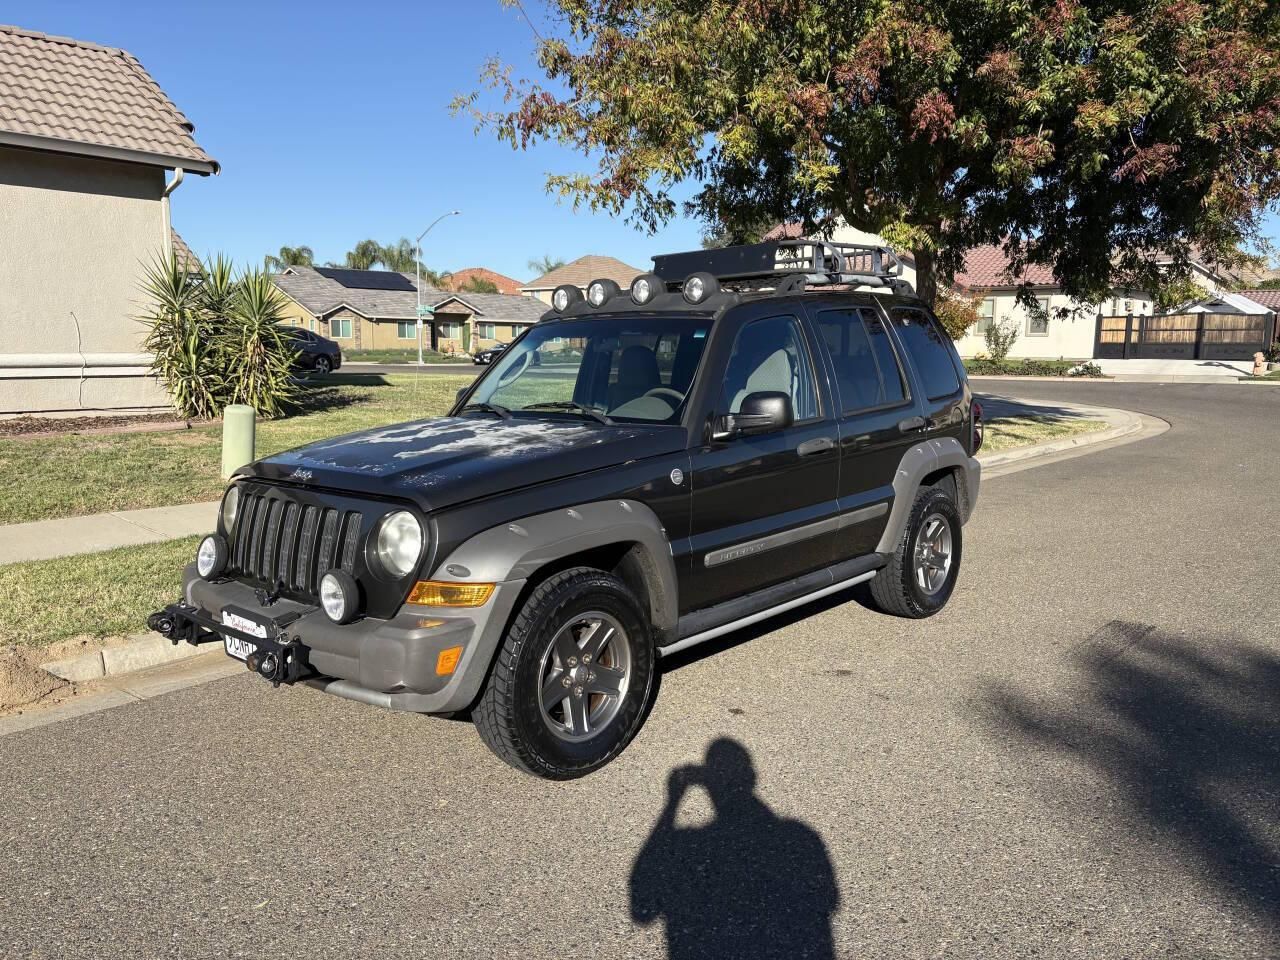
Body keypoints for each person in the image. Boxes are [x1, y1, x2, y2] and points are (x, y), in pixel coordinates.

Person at [630, 738, 840, 959]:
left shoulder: (691, 846)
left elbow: (642, 905)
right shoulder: (801, 838)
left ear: (708, 785)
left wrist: (673, 802)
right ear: (752, 778)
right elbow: (827, 901)